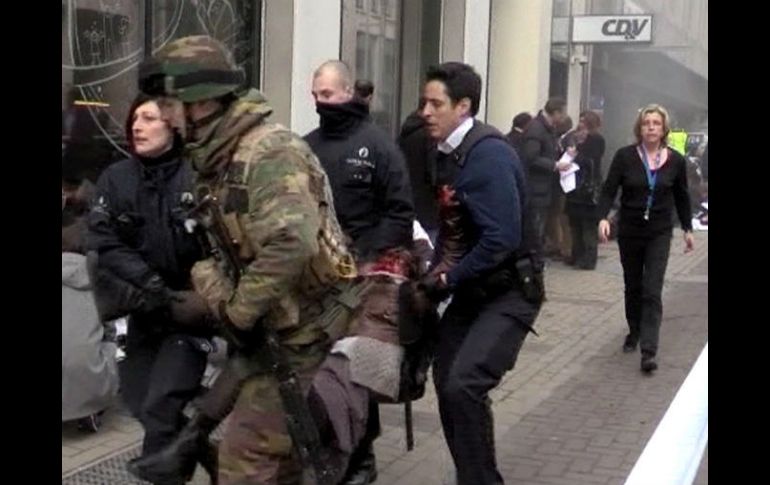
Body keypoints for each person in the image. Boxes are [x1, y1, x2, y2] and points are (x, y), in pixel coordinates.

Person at [127, 35, 357, 485]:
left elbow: (292, 242)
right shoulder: (218, 156)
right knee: (276, 462)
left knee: (245, 461)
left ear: (201, 103)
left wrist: (238, 313)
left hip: (304, 332)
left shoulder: (268, 151)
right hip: (276, 330)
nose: (165, 117)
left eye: (169, 105)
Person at [418, 62, 544, 485]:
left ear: (463, 106)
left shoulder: (489, 155)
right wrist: (431, 275)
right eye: (424, 103)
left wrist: (445, 280)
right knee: (446, 380)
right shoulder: (444, 152)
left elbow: (501, 239)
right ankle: (472, 474)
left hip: (512, 292)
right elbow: (453, 229)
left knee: (465, 384)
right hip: (474, 290)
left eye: (436, 104)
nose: (425, 112)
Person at [87, 92, 216, 484]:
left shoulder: (198, 176)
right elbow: (104, 242)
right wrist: (150, 286)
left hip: (186, 317)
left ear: (173, 125)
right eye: (134, 119)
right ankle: (208, 454)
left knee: (162, 408)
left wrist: (198, 297)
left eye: (148, 118)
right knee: (141, 404)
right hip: (140, 313)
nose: (136, 127)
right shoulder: (116, 179)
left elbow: (219, 248)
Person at [304, 59, 415, 485]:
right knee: (319, 371)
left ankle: (360, 457)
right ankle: (328, 450)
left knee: (357, 370)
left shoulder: (380, 147)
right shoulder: (306, 147)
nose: (320, 102)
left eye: (327, 94)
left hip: (367, 277)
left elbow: (400, 213)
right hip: (315, 278)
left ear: (348, 92)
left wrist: (364, 255)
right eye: (315, 95)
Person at [597, 103, 695, 373]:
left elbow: (682, 196)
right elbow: (609, 189)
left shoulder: (676, 161)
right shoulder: (625, 157)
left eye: (656, 123)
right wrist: (603, 217)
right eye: (646, 123)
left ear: (664, 129)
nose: (651, 127)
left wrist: (688, 229)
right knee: (633, 286)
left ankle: (649, 351)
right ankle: (634, 330)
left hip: (659, 232)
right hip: (630, 230)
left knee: (652, 289)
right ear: (639, 128)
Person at [62, 200, 119, 433]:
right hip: (91, 383)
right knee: (108, 336)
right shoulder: (100, 273)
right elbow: (110, 325)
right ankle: (91, 409)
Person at [520, 97, 570, 249]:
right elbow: (531, 157)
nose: (564, 117)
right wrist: (554, 165)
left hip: (545, 188)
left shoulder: (548, 129)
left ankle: (537, 255)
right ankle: (534, 258)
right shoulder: (536, 129)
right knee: (536, 229)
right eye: (563, 113)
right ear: (555, 113)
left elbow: (548, 152)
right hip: (536, 189)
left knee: (541, 228)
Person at [566, 111, 606, 269]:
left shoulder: (596, 139)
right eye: (580, 120)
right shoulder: (577, 138)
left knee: (588, 225)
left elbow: (591, 160)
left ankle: (588, 259)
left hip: (588, 187)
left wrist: (575, 155)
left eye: (583, 121)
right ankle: (576, 255)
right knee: (575, 223)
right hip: (575, 186)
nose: (580, 123)